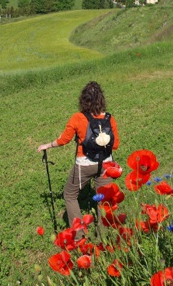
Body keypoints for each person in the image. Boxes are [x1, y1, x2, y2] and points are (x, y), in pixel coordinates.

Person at [37, 81, 119, 234]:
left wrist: (47, 145)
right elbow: (115, 145)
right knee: (104, 199)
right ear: (101, 99)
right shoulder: (109, 118)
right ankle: (104, 236)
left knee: (69, 194)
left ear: (83, 100)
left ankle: (79, 235)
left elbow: (64, 140)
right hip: (106, 165)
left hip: (84, 165)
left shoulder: (77, 118)